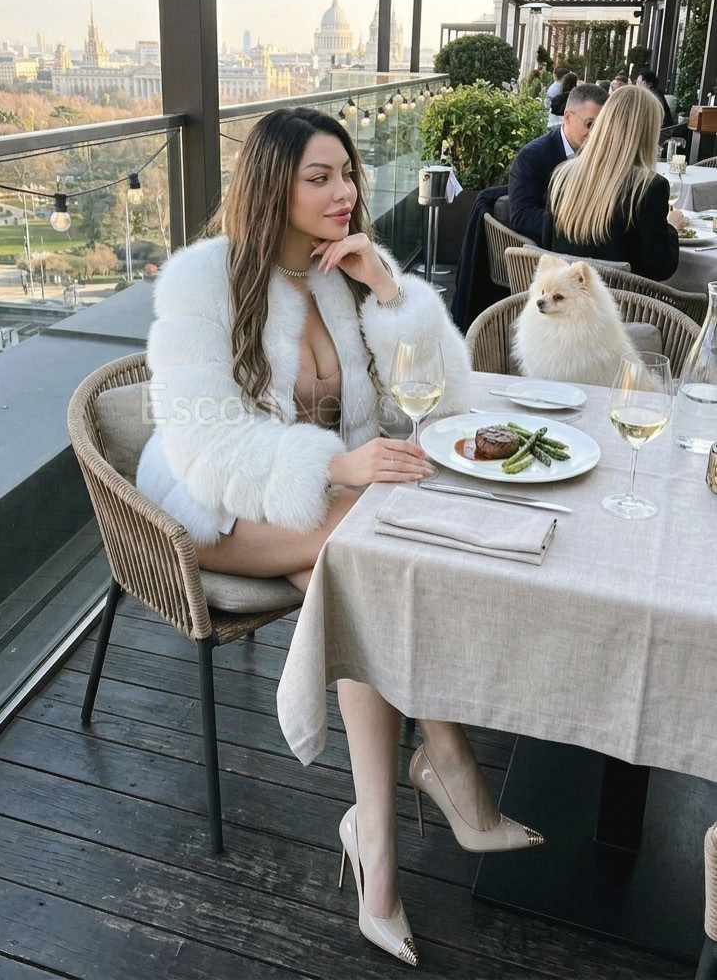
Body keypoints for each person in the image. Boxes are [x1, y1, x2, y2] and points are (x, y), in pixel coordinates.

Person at [136, 107, 542, 967]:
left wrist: (390, 295)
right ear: (270, 186)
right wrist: (337, 465)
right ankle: (444, 767)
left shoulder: (344, 269)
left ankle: (379, 842)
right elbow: (205, 441)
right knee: (358, 557)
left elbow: (438, 404)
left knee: (358, 570)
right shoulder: (202, 280)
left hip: (323, 500)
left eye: (347, 173)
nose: (343, 192)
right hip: (210, 501)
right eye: (317, 178)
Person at [542, 84, 682, 279]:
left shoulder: (562, 176)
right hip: (623, 298)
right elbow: (659, 268)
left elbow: (548, 245)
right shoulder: (649, 188)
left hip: (569, 295)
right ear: (649, 133)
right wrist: (672, 228)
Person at [508, 83, 608, 244]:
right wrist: (579, 229)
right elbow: (523, 216)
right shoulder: (533, 156)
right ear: (567, 117)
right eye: (590, 124)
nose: (596, 134)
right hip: (550, 252)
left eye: (602, 127)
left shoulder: (604, 154)